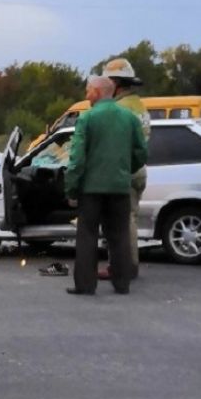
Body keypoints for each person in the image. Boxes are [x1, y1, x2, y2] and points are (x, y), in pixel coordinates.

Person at [64, 76, 147, 296]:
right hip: (119, 187)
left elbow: (77, 159)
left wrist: (71, 187)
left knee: (87, 236)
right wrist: (125, 169)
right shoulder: (129, 118)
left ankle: (85, 284)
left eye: (88, 90)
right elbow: (141, 153)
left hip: (91, 190)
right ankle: (122, 284)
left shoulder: (87, 118)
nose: (86, 95)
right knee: (119, 236)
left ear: (99, 92)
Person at [98, 58, 151, 282]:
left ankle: (124, 267)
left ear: (116, 84)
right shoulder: (138, 106)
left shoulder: (120, 109)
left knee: (120, 222)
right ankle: (126, 265)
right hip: (138, 170)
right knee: (129, 219)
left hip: (124, 172)